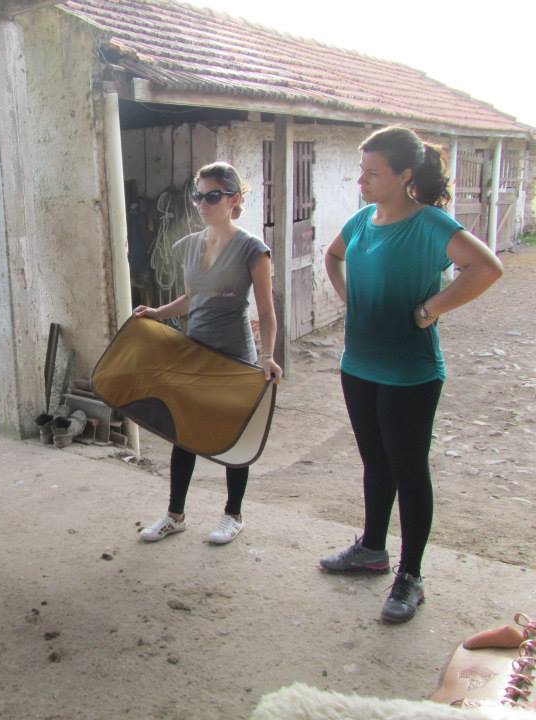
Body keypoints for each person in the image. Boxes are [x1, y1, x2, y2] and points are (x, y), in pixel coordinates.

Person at [320, 126, 502, 623]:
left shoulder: (430, 224)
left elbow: (486, 268)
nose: (362, 181)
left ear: (404, 175)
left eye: (372, 173)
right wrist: (349, 296)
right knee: (375, 463)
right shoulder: (362, 221)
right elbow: (333, 256)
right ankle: (371, 549)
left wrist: (431, 309)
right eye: (361, 171)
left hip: (410, 373)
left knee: (409, 470)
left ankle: (411, 576)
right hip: (359, 366)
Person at [134, 161, 282, 546]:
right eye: (197, 196)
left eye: (211, 196)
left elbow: (266, 311)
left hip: (233, 355)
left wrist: (267, 356)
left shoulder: (253, 249)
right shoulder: (190, 245)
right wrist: (157, 313)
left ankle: (233, 515)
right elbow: (191, 297)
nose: (201, 203)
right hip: (194, 351)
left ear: (233, 199)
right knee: (184, 435)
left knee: (233, 437)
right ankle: (175, 515)